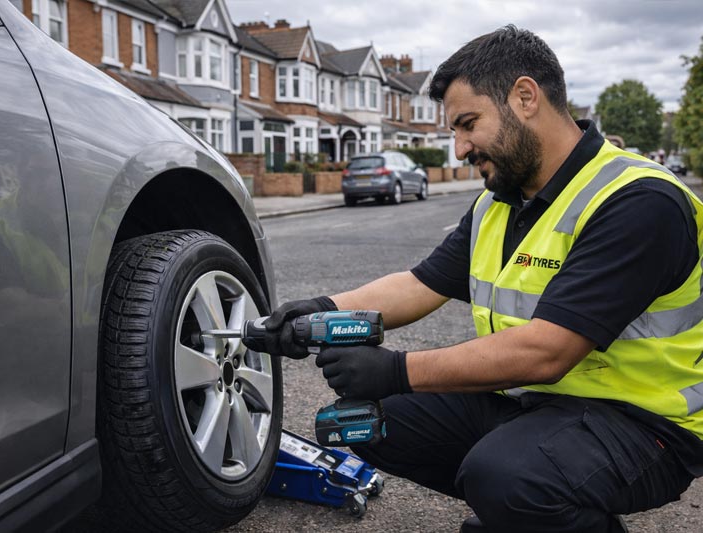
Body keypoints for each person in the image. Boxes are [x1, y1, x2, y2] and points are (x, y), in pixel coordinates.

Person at [261, 26, 703, 533]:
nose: (459, 149)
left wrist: (397, 369)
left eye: (468, 124)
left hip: (644, 424)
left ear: (525, 97)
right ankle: (524, 511)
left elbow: (547, 351)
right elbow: (420, 284)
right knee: (366, 421)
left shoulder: (637, 200)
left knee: (507, 478)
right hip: (536, 403)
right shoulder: (499, 203)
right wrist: (319, 308)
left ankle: (523, 499)